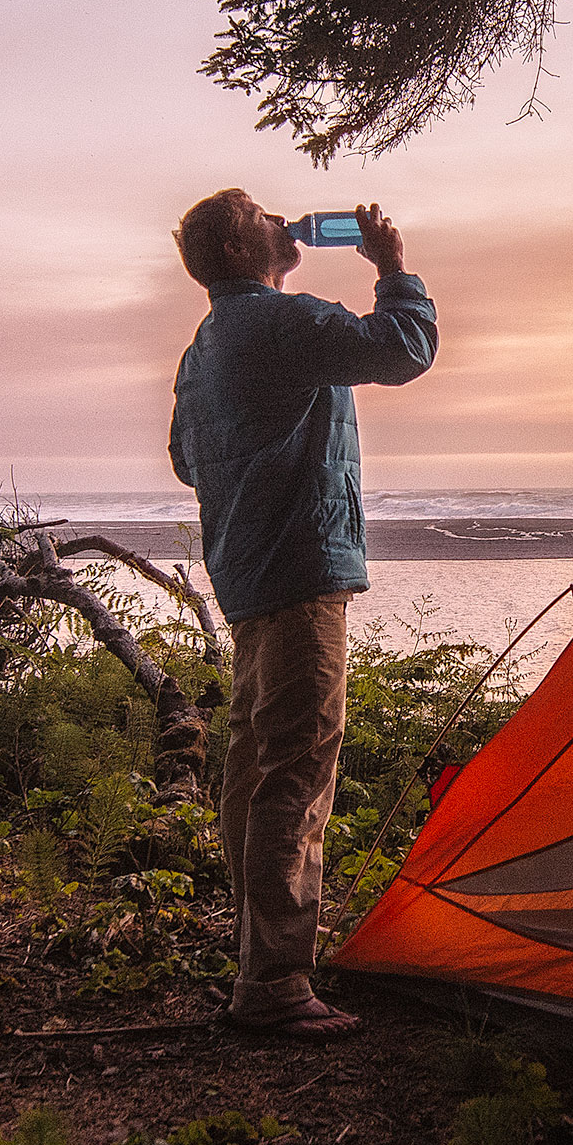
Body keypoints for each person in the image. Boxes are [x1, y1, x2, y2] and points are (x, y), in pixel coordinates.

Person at [168, 189, 438, 1040]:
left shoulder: (206, 341)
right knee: (297, 768)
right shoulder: (278, 323)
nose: (281, 216)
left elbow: (185, 457)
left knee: (253, 765)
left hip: (245, 570)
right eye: (258, 212)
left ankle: (259, 957)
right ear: (241, 248)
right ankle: (277, 987)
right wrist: (393, 266)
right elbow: (403, 350)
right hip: (300, 564)